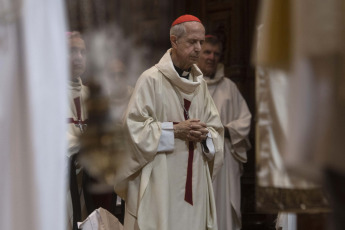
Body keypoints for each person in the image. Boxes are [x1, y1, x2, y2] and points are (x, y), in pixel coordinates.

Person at [115, 15, 224, 230]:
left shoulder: (200, 85)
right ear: (174, 41)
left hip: (194, 185)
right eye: (192, 42)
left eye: (201, 42)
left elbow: (215, 130)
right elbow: (133, 129)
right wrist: (174, 130)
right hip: (160, 184)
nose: (198, 48)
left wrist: (205, 135)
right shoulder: (151, 79)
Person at [197, 35, 251, 230]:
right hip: (196, 157)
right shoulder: (189, 84)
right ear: (198, 53)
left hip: (225, 159)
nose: (212, 57)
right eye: (207, 52)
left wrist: (224, 130)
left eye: (216, 53)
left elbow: (245, 121)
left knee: (223, 213)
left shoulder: (229, 87)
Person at [66, 31, 89, 230]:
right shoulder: (48, 93)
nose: (79, 57)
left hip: (88, 180)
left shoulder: (90, 93)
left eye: (82, 51)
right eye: (72, 51)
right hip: (62, 184)